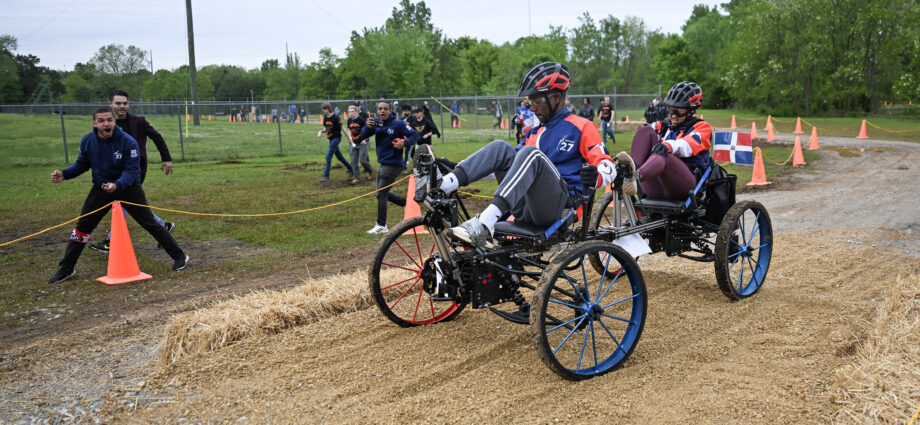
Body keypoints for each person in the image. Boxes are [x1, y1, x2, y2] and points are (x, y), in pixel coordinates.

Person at [415, 62, 623, 249]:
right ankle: (443, 185)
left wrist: (597, 176)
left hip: (559, 208)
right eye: (529, 101)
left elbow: (608, 165)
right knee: (501, 148)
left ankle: (485, 223)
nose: (532, 107)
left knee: (531, 154)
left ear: (557, 98)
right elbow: (515, 171)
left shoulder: (581, 126)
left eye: (536, 101)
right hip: (526, 207)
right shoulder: (534, 132)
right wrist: (456, 167)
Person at [48, 106, 189, 283]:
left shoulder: (128, 142)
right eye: (101, 121)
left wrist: (117, 185)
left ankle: (180, 257)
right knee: (82, 226)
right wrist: (65, 174)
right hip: (101, 188)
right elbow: (82, 164)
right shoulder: (88, 141)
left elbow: (132, 171)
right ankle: (66, 268)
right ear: (94, 123)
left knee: (149, 222)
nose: (106, 124)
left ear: (114, 122)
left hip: (128, 187)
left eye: (109, 120)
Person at [90, 89, 176, 254]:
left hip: (135, 170)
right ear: (110, 105)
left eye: (124, 103)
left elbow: (157, 137)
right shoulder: (106, 124)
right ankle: (163, 225)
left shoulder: (138, 122)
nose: (122, 106)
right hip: (113, 171)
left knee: (122, 201)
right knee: (132, 203)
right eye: (118, 103)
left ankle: (111, 240)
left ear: (128, 104)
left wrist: (166, 158)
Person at [629, 81, 712, 201]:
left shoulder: (702, 127)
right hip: (656, 187)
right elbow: (645, 135)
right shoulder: (664, 125)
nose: (673, 115)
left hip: (685, 186)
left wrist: (668, 146)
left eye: (679, 110)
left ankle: (636, 176)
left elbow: (687, 145)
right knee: (645, 131)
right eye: (671, 109)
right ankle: (630, 169)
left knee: (664, 154)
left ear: (691, 110)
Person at [360, 100, 420, 234]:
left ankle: (381, 225)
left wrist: (404, 143)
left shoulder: (398, 124)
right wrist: (366, 127)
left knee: (381, 193)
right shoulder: (376, 123)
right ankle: (405, 203)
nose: (382, 111)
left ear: (390, 111)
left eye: (385, 109)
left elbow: (415, 135)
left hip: (394, 164)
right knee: (381, 193)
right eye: (380, 109)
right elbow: (362, 136)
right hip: (383, 163)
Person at [316, 102, 355, 182]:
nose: (323, 111)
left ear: (328, 109)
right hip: (330, 139)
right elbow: (327, 129)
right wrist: (321, 131)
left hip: (336, 139)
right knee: (339, 157)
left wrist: (349, 138)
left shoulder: (335, 118)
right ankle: (351, 169)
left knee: (328, 156)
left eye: (324, 109)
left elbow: (343, 129)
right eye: (322, 109)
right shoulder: (325, 118)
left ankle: (326, 176)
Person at [347, 105, 373, 183]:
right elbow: (349, 130)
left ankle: (371, 170)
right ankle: (357, 177)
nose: (351, 113)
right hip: (353, 144)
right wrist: (350, 138)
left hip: (362, 143)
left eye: (353, 111)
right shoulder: (349, 121)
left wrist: (366, 140)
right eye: (350, 112)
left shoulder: (361, 120)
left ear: (356, 112)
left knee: (362, 160)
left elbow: (367, 130)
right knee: (353, 161)